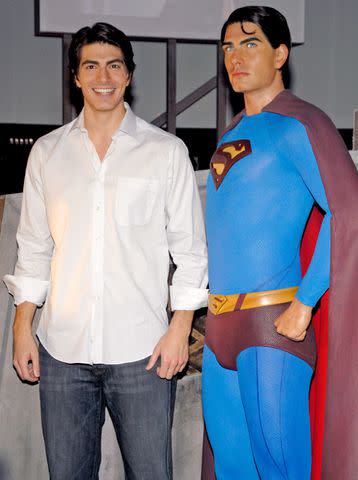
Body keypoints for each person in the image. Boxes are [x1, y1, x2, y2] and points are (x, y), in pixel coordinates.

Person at [4, 22, 208, 480]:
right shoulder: (47, 153)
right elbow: (33, 248)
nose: (103, 76)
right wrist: (22, 327)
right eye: (91, 65)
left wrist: (180, 327)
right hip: (63, 351)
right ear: (75, 76)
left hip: (144, 353)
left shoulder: (166, 152)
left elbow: (191, 253)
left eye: (114, 65)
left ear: (129, 75)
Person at [201, 6, 358, 480]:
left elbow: (346, 210)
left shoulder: (303, 123)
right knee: (232, 467)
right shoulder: (232, 133)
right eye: (228, 47)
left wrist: (306, 303)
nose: (235, 57)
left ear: (281, 54)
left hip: (274, 324)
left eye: (250, 44)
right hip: (219, 328)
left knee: (281, 469)